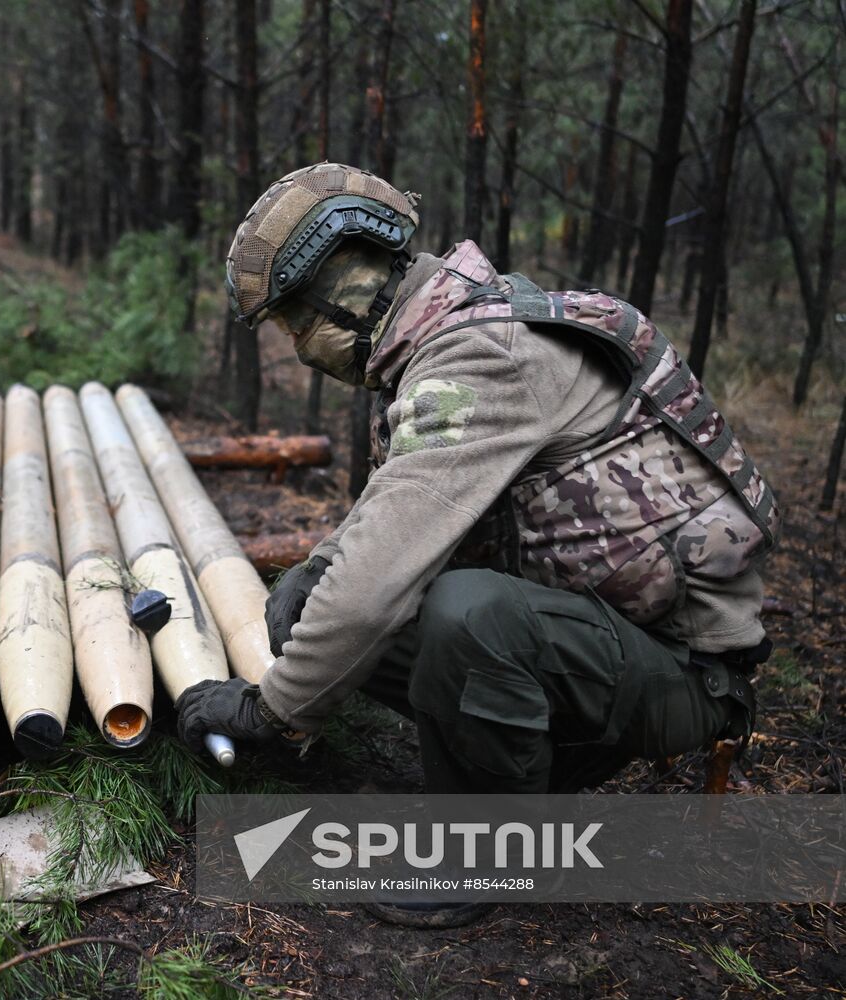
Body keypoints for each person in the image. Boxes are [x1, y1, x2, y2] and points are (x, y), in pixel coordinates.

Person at [175, 162, 776, 927]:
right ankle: (532, 764)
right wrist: (317, 575)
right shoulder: (446, 343)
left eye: (298, 321)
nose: (299, 348)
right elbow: (390, 524)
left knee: (467, 614)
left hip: (684, 675)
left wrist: (268, 711)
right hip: (598, 633)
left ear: (350, 290)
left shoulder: (481, 356)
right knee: (309, 597)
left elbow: (376, 588)